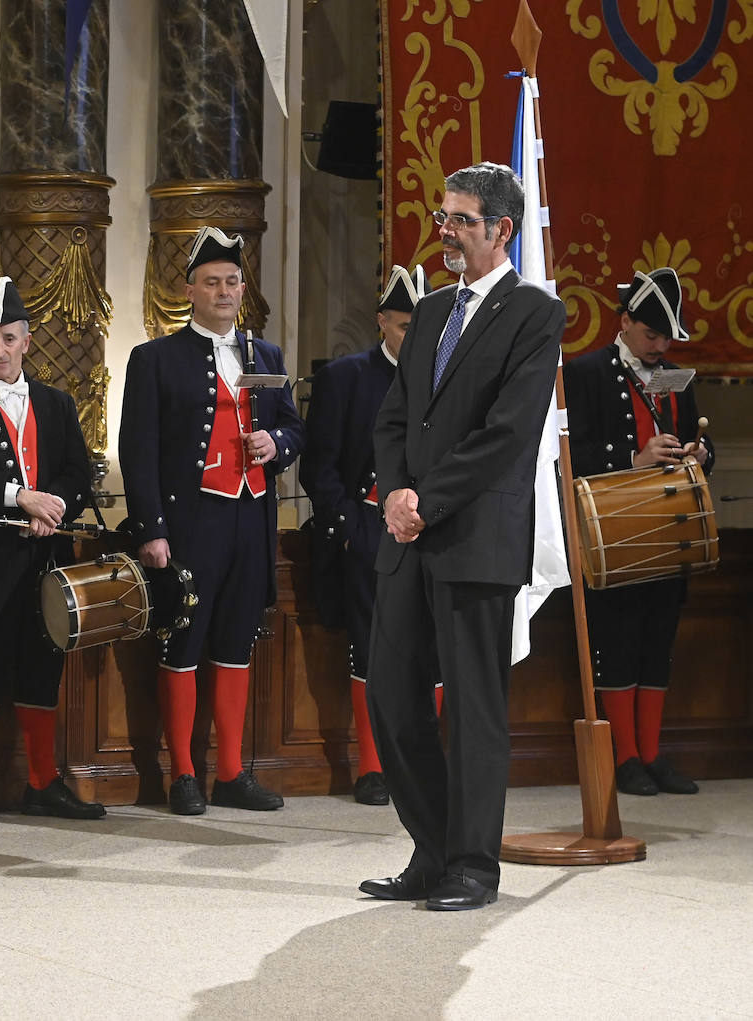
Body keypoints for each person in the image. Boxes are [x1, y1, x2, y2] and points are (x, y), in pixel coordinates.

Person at [359, 162, 563, 911]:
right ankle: (433, 848)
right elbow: (393, 418)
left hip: (475, 537)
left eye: (461, 220)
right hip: (407, 535)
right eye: (442, 217)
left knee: (474, 708)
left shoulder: (536, 313)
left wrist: (428, 500)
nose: (444, 231)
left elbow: (508, 433)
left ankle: (473, 866)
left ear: (502, 229)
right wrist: (395, 494)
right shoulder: (432, 309)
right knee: (391, 695)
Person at [119, 226, 305, 815]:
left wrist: (276, 444)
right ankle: (182, 774)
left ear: (243, 289)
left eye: (231, 282)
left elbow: (293, 428)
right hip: (191, 520)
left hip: (252, 518)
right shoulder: (154, 358)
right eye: (211, 282)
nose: (223, 291)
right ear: (190, 290)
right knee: (183, 641)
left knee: (236, 642)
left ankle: (230, 774)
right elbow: (138, 450)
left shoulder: (266, 356)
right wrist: (151, 529)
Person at [0, 275, 106, 823]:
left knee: (43, 665)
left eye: (9, 338)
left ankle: (42, 783)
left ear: (27, 340)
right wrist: (20, 498)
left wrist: (53, 506)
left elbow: (78, 474)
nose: (0, 350)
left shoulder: (57, 403)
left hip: (45, 560)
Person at [562, 267, 713, 797]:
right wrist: (632, 458)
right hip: (614, 532)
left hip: (671, 528)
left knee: (657, 643)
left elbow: (700, 441)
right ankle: (624, 756)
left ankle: (652, 755)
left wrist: (699, 454)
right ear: (624, 321)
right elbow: (566, 455)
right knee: (619, 641)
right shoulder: (584, 373)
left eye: (667, 338)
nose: (660, 347)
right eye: (651, 335)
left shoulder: (675, 376)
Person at [300, 265, 443, 807]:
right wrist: (352, 532)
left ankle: (425, 763)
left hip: (434, 531)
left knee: (433, 650)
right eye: (405, 326)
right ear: (382, 321)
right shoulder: (346, 377)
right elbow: (321, 468)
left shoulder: (448, 376)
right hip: (368, 531)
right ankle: (373, 767)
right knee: (371, 649)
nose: (414, 338)